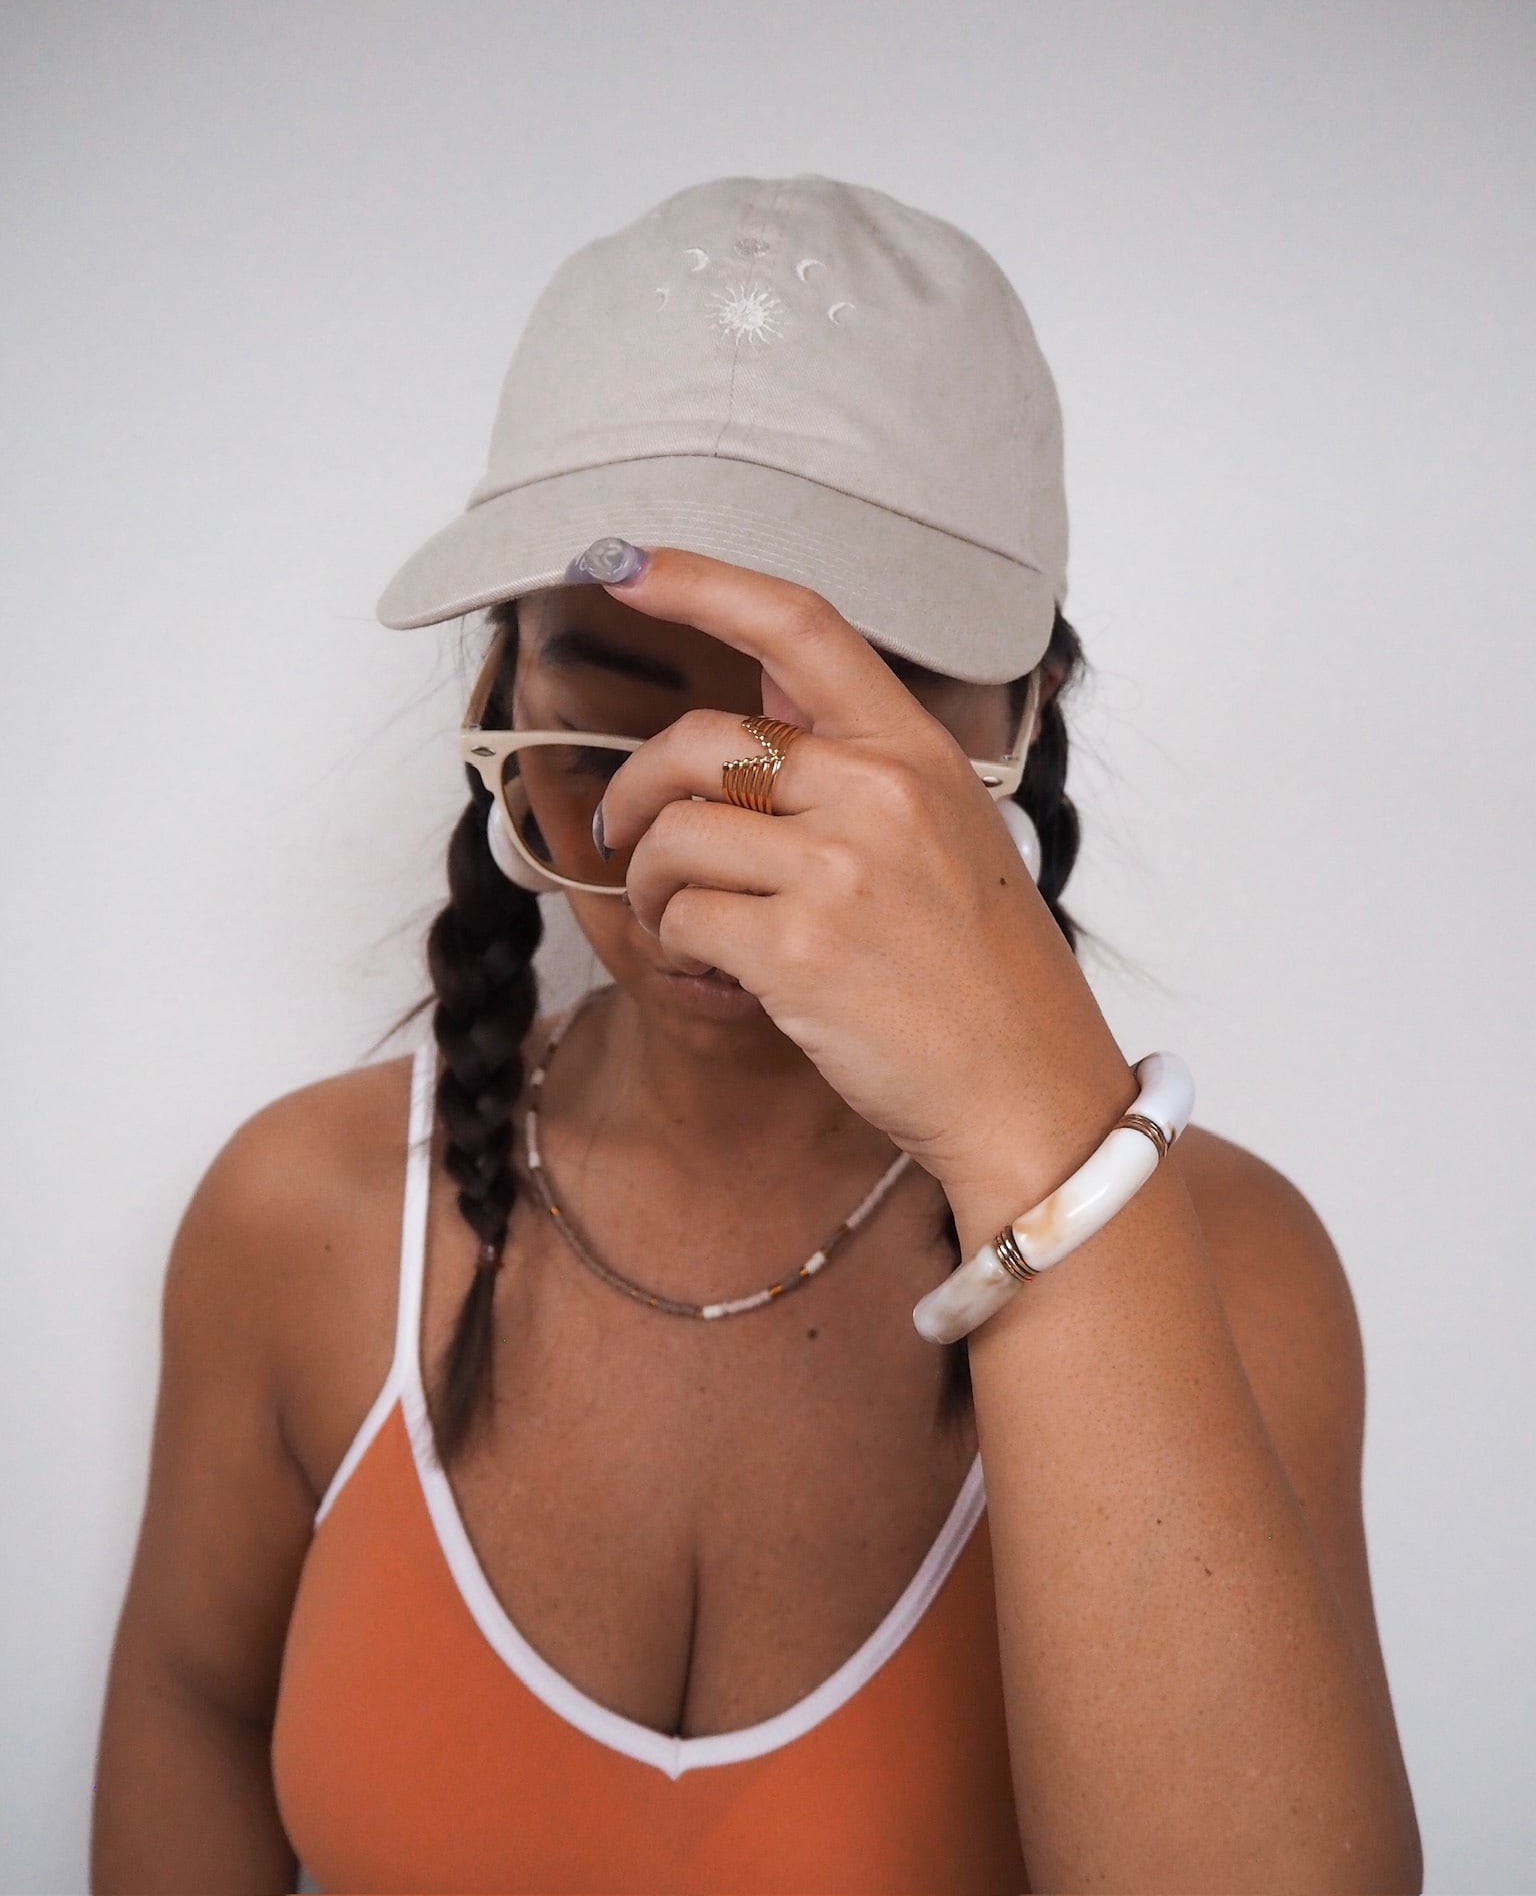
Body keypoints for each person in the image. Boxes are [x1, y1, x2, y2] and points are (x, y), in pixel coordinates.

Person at [91, 175, 1422, 1895]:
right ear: (501, 692)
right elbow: (194, 1703)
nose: (710, 825)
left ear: (1028, 713)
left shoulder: (1225, 1272)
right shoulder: (303, 1222)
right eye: (622, 697)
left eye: (843, 706)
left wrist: (1031, 1137)